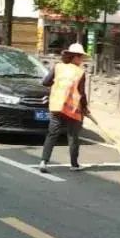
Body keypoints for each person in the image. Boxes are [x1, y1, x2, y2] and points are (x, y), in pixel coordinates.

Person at [39, 43, 90, 173]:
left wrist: (57, 83)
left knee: (52, 134)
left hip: (56, 105)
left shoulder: (58, 67)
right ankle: (74, 165)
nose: (82, 60)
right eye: (81, 57)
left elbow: (45, 82)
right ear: (75, 57)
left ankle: (44, 161)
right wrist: (85, 107)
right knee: (73, 136)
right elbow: (82, 93)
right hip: (72, 108)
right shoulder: (80, 72)